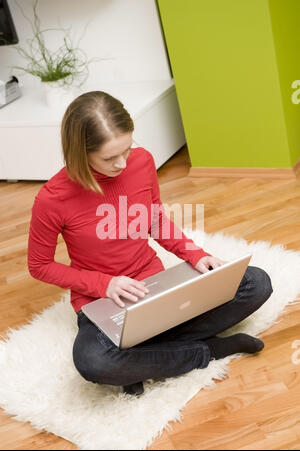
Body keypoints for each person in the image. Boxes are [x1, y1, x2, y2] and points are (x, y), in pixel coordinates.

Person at [27, 91, 273, 397]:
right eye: (109, 157)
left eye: (126, 150)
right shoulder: (53, 198)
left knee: (256, 282)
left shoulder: (141, 162)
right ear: (80, 152)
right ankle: (208, 351)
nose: (121, 163)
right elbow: (39, 266)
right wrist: (105, 284)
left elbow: (153, 219)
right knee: (93, 361)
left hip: (155, 286)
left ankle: (142, 361)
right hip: (101, 301)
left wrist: (195, 255)